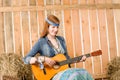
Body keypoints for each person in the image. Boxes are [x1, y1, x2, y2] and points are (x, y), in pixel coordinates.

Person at [23, 15, 93, 80]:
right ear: (47, 27)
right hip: (52, 76)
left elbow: (67, 59)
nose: (56, 30)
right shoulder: (41, 42)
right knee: (74, 76)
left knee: (84, 72)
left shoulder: (61, 40)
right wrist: (44, 59)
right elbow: (26, 59)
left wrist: (78, 60)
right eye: (53, 27)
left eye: (57, 27)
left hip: (65, 71)